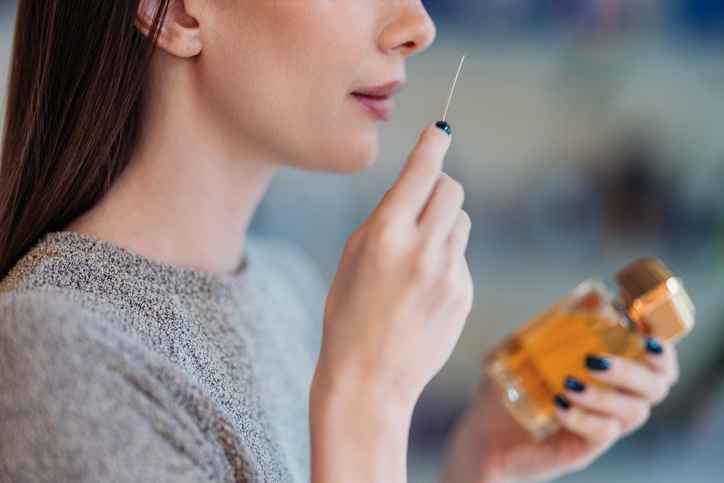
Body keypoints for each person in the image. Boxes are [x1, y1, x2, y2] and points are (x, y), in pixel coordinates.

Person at [0, 1, 680, 482]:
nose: (419, 25)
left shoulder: (286, 284)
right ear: (173, 11)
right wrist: (367, 402)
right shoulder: (54, 348)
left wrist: (482, 463)